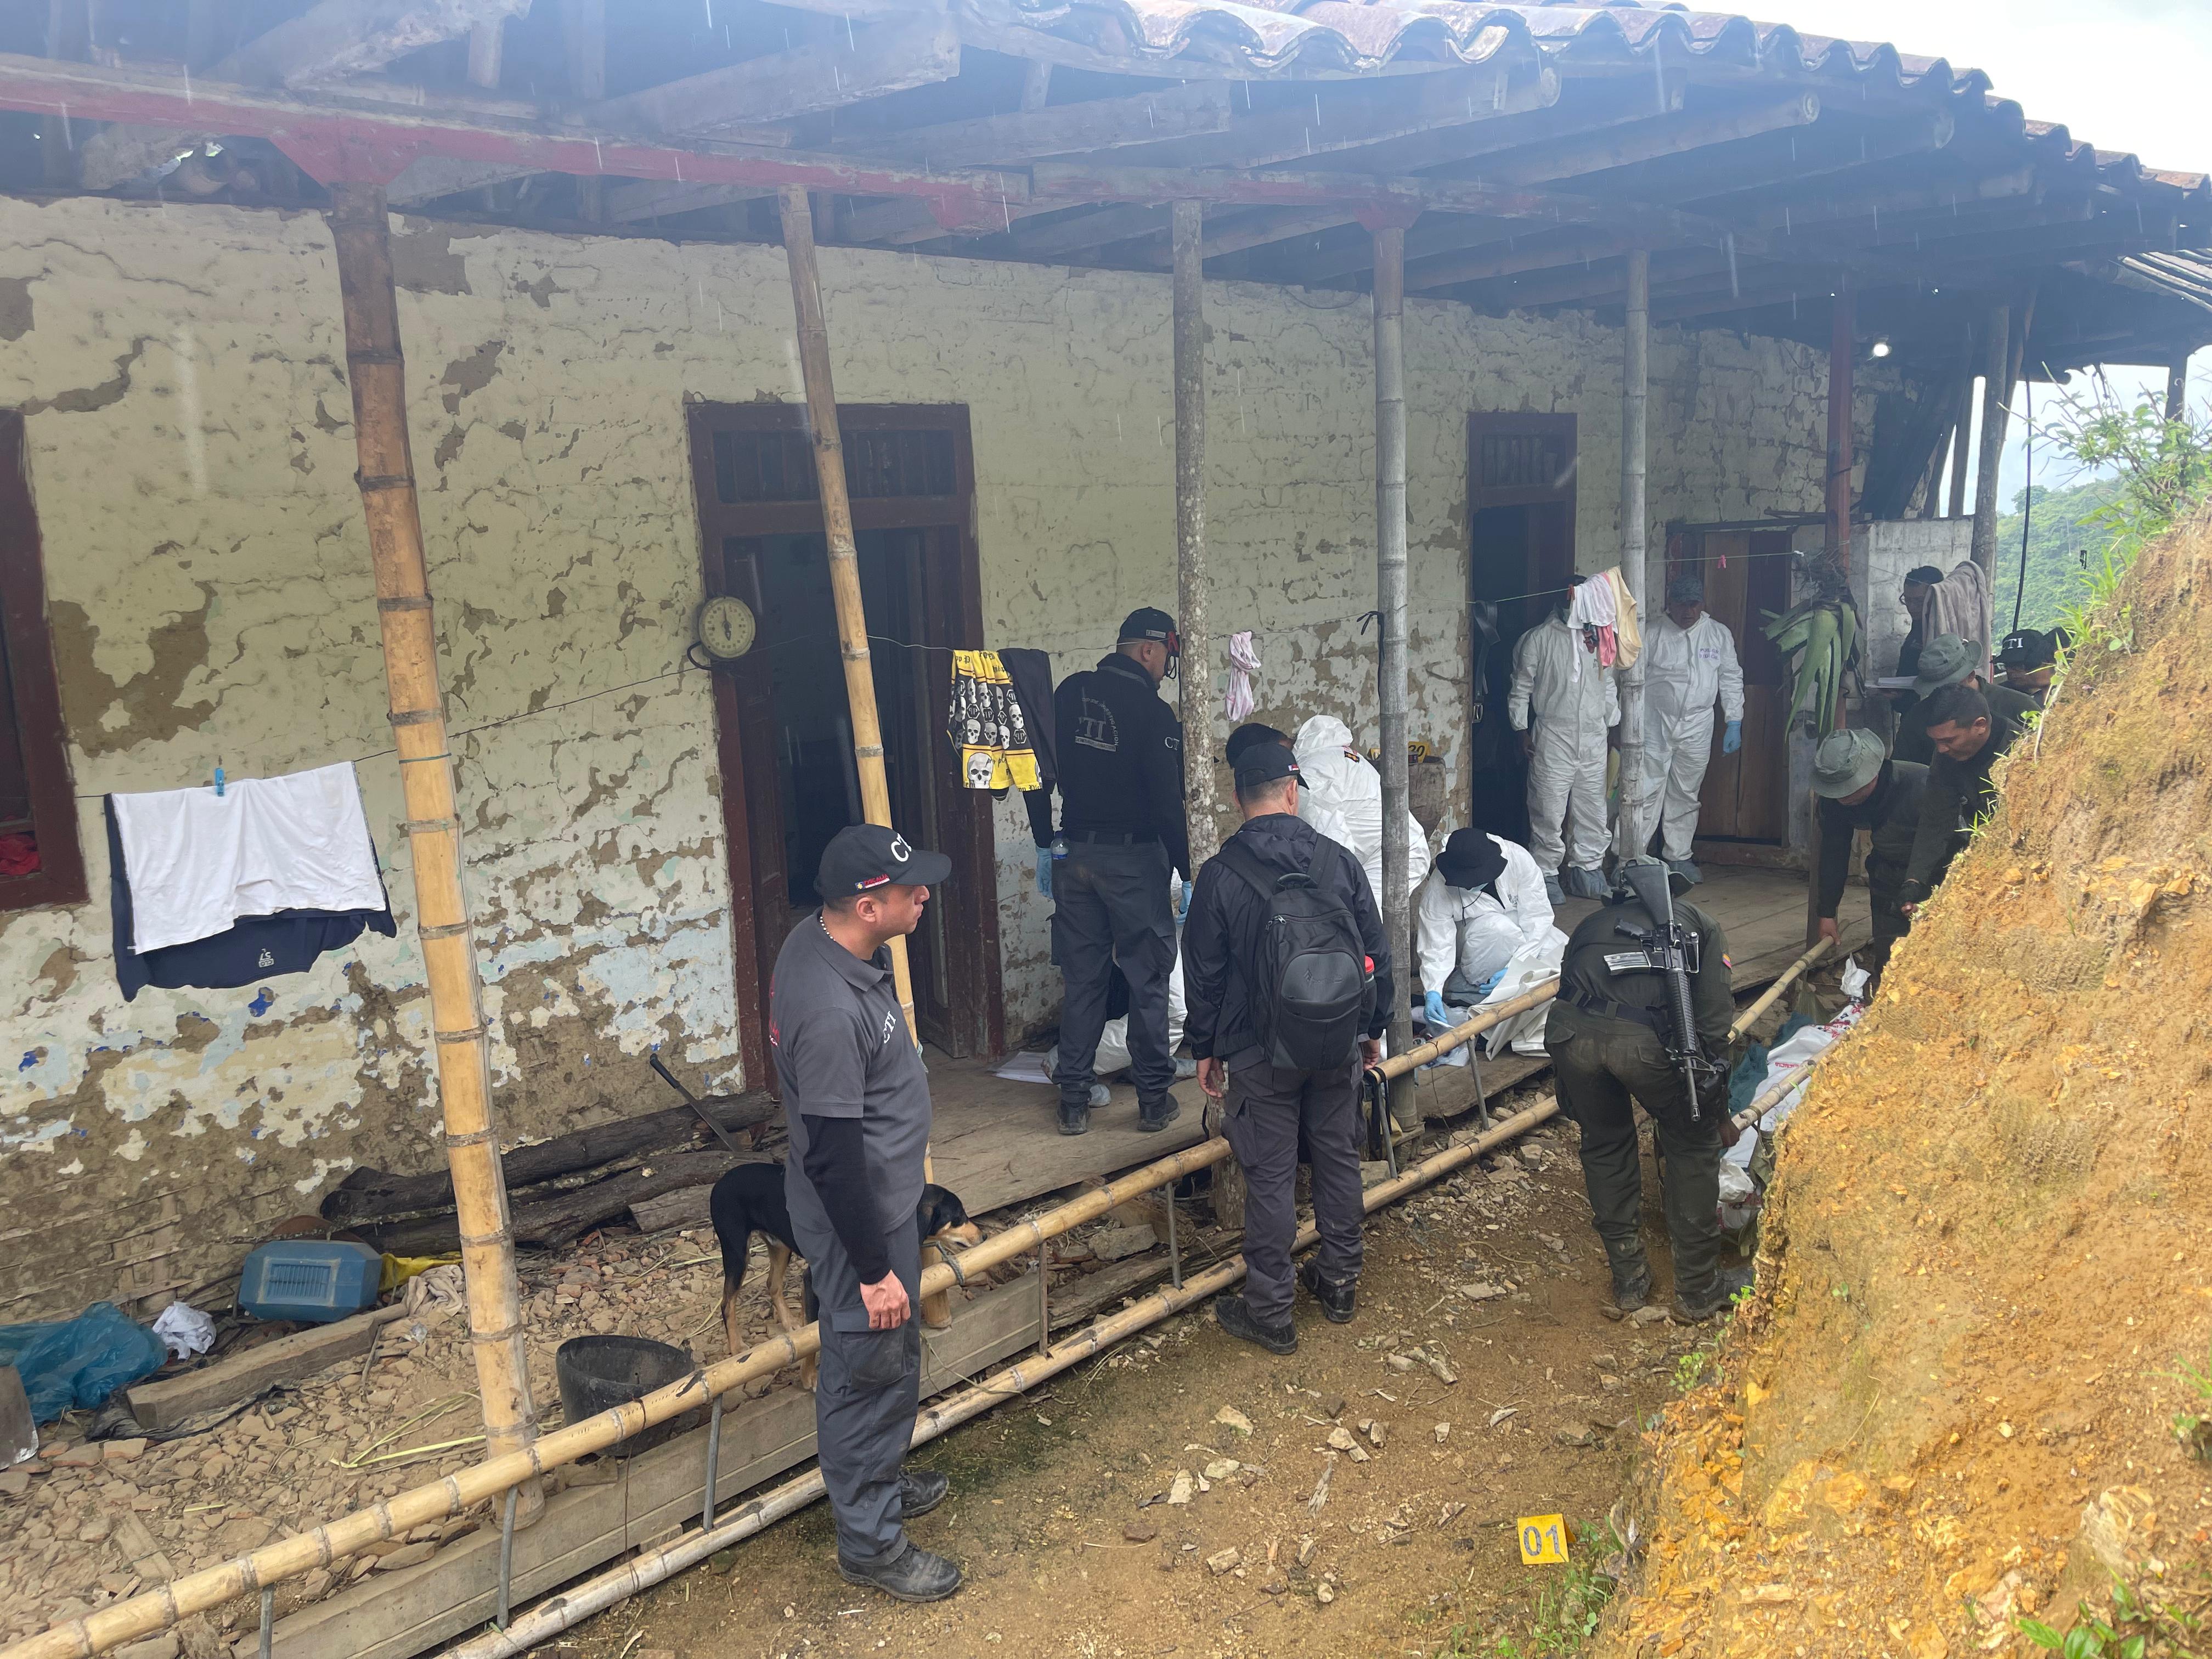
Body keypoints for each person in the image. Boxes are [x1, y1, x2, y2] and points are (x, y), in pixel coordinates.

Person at [774, 823, 961, 1603]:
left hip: (880, 1208)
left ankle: (879, 1477)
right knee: (864, 1376)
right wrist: (878, 1270)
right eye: (908, 890)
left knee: (887, 1367)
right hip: (859, 1225)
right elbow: (831, 1155)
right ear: (865, 905)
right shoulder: (825, 1008)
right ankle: (871, 1544)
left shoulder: (832, 948)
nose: (923, 894)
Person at [1182, 743, 1392, 1355]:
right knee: (1337, 1158)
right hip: (1336, 1044)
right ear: (1292, 791)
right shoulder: (1339, 862)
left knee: (1271, 1178)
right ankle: (1339, 1283)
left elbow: (1204, 974)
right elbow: (1374, 951)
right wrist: (1370, 1026)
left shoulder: (1221, 876)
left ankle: (1271, 1313)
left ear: (1237, 798)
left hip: (1257, 1054)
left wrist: (1206, 1048)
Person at [1545, 857, 1749, 1323]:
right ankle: (1698, 1290)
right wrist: (1716, 1111)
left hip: (1568, 1036)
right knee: (1692, 1146)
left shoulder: (1589, 924)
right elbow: (1715, 1025)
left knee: (1605, 1142)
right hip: (1643, 1044)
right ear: (1674, 890)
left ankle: (1629, 1279)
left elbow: (1568, 986)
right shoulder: (1701, 923)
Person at [1029, 607, 1190, 1137]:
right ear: (1147, 650)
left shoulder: (1069, 693)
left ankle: (1073, 1101)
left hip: (1073, 854)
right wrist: (1189, 869)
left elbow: (1038, 770)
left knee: (1084, 981)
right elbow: (1169, 803)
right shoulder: (1154, 713)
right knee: (1147, 980)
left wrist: (1043, 841)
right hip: (1134, 858)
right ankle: (1152, 1099)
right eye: (1166, 652)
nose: (1167, 664)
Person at [1508, 592, 1620, 903]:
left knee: (1593, 808)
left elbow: (1607, 683)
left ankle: (1588, 870)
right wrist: (1520, 729)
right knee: (1548, 806)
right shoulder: (1539, 639)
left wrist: (1613, 723)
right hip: (1554, 734)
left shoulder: (1601, 636)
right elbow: (1521, 688)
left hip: (1594, 736)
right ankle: (1546, 873)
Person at [1637, 573, 1745, 884]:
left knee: (1686, 793)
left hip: (1698, 724)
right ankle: (1632, 857)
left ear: (1702, 604)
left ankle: (1678, 857)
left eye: (1694, 604)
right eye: (1682, 605)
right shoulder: (1652, 633)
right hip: (1654, 721)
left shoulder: (1717, 634)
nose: (1688, 611)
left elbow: (1730, 676)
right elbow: (1630, 681)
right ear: (1669, 604)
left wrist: (1734, 720)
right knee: (1644, 790)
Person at [1809, 729, 1928, 985]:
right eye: (1837, 791)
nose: (1844, 797)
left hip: (1936, 872)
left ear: (1873, 772)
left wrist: (1922, 889)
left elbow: (1948, 844)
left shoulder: (1922, 785)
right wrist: (1827, 912)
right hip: (1886, 872)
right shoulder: (1834, 801)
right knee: (1890, 961)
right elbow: (1834, 851)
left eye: (1850, 789)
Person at [1899, 683, 2025, 915]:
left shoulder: (2022, 751)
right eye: (1936, 741)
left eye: (1949, 740)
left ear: (1980, 726)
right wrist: (1915, 880)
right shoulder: (1947, 754)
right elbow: (1936, 818)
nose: (1942, 749)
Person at [1415, 828, 1553, 1029]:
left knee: (1559, 950)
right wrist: (1433, 990)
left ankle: (1488, 989)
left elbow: (1538, 918)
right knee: (1498, 929)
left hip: (1519, 934)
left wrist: (1516, 968)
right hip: (1478, 941)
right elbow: (1436, 943)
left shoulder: (1519, 860)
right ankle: (1465, 986)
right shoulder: (1439, 887)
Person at [1290, 714, 1432, 908]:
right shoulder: (1338, 755)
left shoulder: (1311, 771)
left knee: (1355, 921)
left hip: (1393, 854)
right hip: (1400, 846)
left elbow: (1332, 842)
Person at [1895, 634, 2036, 764]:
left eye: (1951, 686)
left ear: (1971, 675)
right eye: (1936, 690)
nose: (1945, 694)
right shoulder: (1918, 715)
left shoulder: (2019, 706)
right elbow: (1904, 766)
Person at [1996, 628, 2059, 704]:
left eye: (2019, 666)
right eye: (2006, 665)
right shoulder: (1999, 697)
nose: (2010, 671)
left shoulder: (2067, 691)